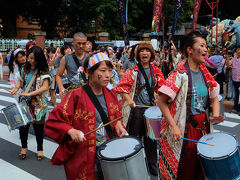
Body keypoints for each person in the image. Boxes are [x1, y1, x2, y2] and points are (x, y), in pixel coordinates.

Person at [45, 52, 126, 180]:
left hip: (108, 152)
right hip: (85, 155)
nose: (108, 75)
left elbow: (116, 116)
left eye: (110, 71)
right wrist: (71, 130)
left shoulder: (111, 93)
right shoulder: (75, 95)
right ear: (89, 72)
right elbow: (53, 121)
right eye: (103, 70)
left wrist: (118, 125)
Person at [156, 31, 225, 179]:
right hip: (185, 126)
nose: (206, 50)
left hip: (203, 126)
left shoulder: (205, 72)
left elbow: (214, 98)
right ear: (189, 50)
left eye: (206, 46)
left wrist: (216, 114)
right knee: (185, 168)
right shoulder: (179, 73)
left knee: (200, 167)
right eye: (201, 45)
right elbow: (161, 101)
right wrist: (174, 126)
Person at [115, 43, 165, 176]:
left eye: (147, 51)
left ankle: (152, 162)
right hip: (136, 109)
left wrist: (159, 97)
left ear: (151, 55)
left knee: (152, 139)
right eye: (142, 51)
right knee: (134, 137)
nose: (144, 53)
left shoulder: (156, 70)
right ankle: (132, 162)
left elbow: (163, 88)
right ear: (138, 55)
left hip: (152, 110)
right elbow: (121, 87)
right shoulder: (132, 70)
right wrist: (130, 100)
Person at [11, 46, 50, 161]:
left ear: (39, 59)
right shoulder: (24, 68)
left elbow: (45, 87)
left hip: (39, 105)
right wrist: (16, 88)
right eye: (30, 58)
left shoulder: (43, 71)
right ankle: (24, 148)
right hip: (25, 103)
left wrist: (31, 94)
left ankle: (40, 149)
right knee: (23, 127)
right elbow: (20, 82)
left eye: (34, 58)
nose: (31, 60)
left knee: (38, 128)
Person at [56, 32, 89, 99]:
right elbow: (58, 75)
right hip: (72, 93)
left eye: (83, 43)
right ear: (73, 42)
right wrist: (61, 88)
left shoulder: (90, 58)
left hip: (87, 92)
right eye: (79, 43)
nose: (81, 46)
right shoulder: (66, 58)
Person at [230, 46, 240, 113]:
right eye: (237, 50)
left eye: (239, 50)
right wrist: (227, 58)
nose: (238, 51)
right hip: (234, 79)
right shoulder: (233, 58)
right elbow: (228, 65)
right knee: (236, 95)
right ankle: (236, 108)